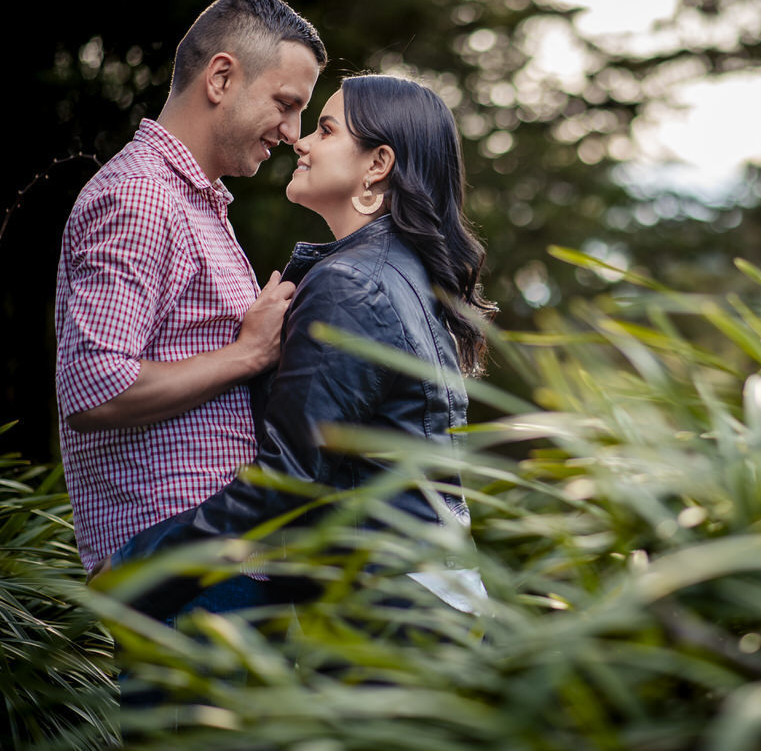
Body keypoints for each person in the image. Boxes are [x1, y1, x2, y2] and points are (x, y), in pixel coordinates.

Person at [107, 74, 496, 620]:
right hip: (426, 598)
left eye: (326, 129)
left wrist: (145, 572)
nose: (302, 141)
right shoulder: (404, 276)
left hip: (383, 609)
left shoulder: (353, 285)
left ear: (377, 164)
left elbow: (288, 477)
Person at [55, 0, 326, 616]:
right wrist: (247, 353)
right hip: (175, 562)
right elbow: (95, 390)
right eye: (286, 105)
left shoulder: (197, 204)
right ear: (222, 77)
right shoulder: (141, 198)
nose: (292, 133)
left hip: (217, 560)